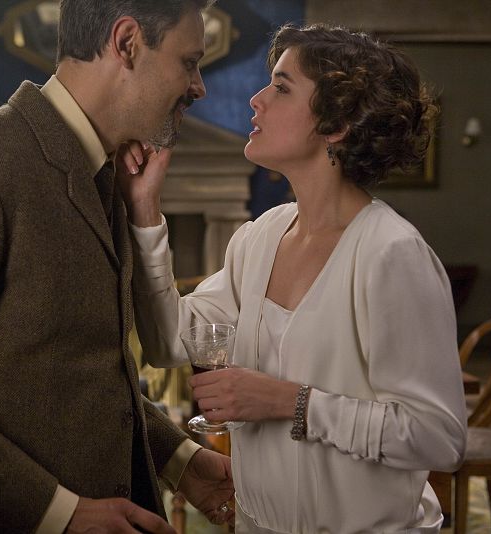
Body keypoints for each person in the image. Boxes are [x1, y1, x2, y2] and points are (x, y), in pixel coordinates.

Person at [0, 1, 235, 532]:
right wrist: (62, 515)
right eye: (189, 62)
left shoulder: (103, 175)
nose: (199, 87)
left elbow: (73, 373)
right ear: (126, 43)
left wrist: (180, 460)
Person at [119, 23, 468, 533]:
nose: (256, 100)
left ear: (336, 125)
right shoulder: (261, 236)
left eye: (281, 88)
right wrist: (145, 209)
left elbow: (439, 437)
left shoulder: (392, 254)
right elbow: (169, 340)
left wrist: (289, 402)